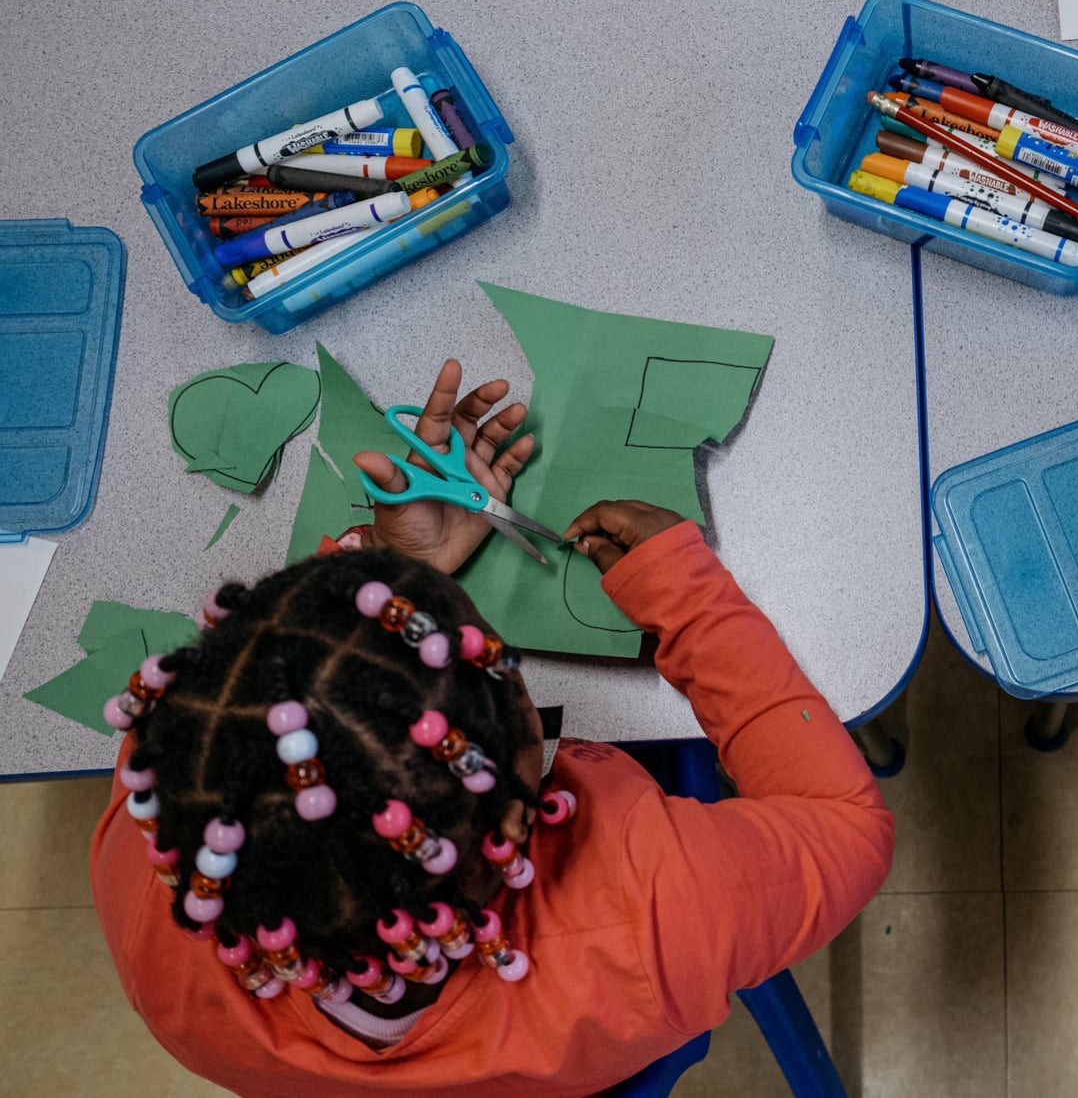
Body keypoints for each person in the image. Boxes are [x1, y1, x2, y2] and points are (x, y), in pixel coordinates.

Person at [90, 361, 893, 1096]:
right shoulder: (650, 910)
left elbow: (281, 720)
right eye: (490, 657)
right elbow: (848, 826)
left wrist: (389, 571)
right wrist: (686, 596)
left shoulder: (159, 868)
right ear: (517, 810)